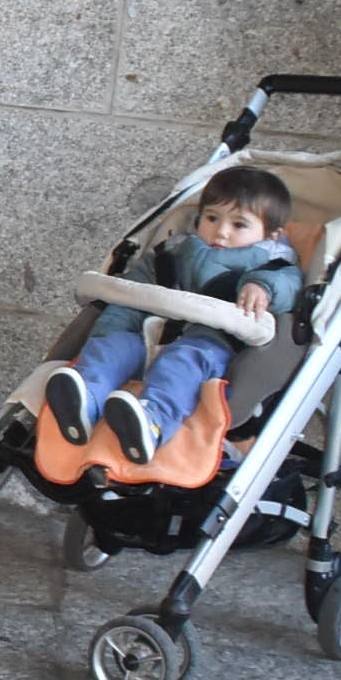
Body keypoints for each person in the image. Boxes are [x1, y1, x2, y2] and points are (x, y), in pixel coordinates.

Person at [39, 165, 306, 465]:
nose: (221, 231)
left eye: (239, 224)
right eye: (212, 218)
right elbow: (135, 291)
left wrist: (263, 287)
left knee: (181, 364)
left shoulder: (272, 266)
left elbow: (289, 287)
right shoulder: (174, 250)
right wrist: (113, 329)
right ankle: (87, 398)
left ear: (271, 234)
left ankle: (152, 422)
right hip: (151, 333)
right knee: (112, 345)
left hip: (209, 347)